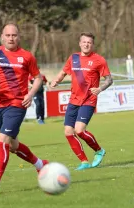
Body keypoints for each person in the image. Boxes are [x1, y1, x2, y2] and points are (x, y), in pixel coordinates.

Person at [0, 23, 48, 196]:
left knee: (2, 141)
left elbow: (38, 78)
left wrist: (30, 94)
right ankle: (40, 164)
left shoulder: (26, 56)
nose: (11, 38)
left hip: (17, 104)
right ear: (2, 37)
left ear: (19, 37)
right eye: (8, 35)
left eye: (14, 35)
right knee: (13, 145)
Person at [50, 32, 112, 170]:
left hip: (89, 100)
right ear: (80, 43)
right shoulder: (73, 58)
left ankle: (99, 150)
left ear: (92, 45)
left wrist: (100, 88)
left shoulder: (99, 60)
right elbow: (63, 72)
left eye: (89, 42)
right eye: (84, 42)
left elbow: (109, 79)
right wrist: (56, 80)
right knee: (68, 132)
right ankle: (84, 161)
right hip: (74, 100)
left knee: (79, 130)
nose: (86, 44)